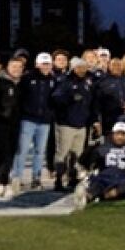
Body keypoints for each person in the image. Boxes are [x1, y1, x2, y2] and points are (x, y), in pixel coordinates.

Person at [12, 52, 56, 190]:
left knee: (39, 151)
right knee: (22, 150)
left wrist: (50, 114)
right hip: (28, 119)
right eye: (43, 64)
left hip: (44, 121)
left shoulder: (52, 80)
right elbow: (19, 98)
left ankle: (36, 178)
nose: (45, 67)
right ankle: (16, 177)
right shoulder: (27, 78)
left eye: (48, 64)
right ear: (37, 64)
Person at [50, 57, 95, 191]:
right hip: (66, 124)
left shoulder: (87, 82)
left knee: (77, 154)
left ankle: (72, 178)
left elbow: (90, 103)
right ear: (74, 68)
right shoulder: (65, 81)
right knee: (62, 153)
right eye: (79, 67)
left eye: (84, 67)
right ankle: (58, 180)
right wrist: (70, 98)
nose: (82, 70)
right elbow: (55, 99)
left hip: (81, 124)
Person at [74, 121, 125, 207]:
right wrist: (92, 145)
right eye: (118, 134)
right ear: (113, 134)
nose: (120, 137)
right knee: (97, 182)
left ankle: (107, 194)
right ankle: (87, 197)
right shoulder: (103, 147)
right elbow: (84, 161)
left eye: (123, 134)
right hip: (105, 176)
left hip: (123, 178)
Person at [0, 57, 24, 197]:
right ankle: (2, 180)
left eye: (19, 67)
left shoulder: (21, 84)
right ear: (7, 67)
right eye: (14, 66)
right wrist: (1, 114)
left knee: (11, 152)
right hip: (0, 124)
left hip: (15, 124)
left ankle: (1, 179)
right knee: (3, 152)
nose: (16, 69)